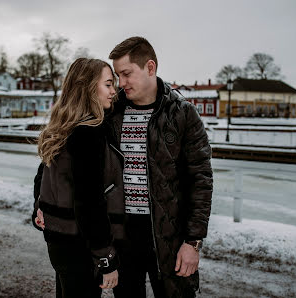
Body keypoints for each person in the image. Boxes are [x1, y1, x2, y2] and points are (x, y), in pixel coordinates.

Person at [107, 37, 213, 298]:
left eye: (127, 74)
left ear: (150, 67)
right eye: (118, 76)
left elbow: (201, 180)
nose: (121, 83)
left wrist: (193, 243)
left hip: (170, 241)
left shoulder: (183, 114)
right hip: (122, 239)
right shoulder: (111, 112)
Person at [32, 58, 126, 298]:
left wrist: (39, 208)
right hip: (80, 245)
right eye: (108, 84)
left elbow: (42, 177)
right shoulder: (88, 134)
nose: (114, 91)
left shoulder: (63, 127)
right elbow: (90, 202)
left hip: (59, 241)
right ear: (88, 88)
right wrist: (106, 258)